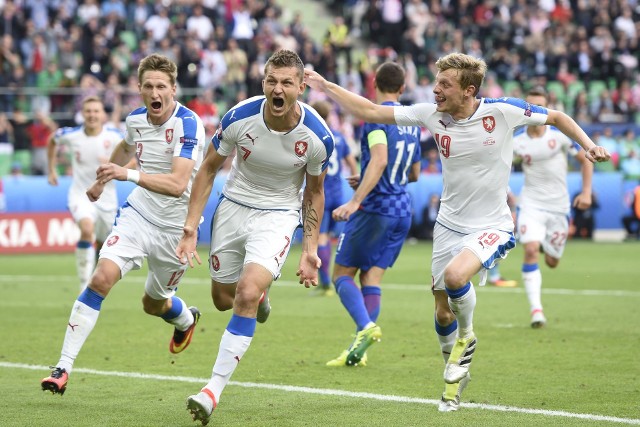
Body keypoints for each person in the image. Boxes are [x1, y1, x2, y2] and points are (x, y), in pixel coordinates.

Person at [304, 52, 610, 412]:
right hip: (449, 224)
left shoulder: (502, 111)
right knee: (441, 312)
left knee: (454, 278)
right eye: (436, 82)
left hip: (492, 224)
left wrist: (587, 145)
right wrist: (325, 86)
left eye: (444, 84)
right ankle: (455, 377)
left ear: (468, 90)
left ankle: (468, 336)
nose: (435, 89)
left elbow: (557, 116)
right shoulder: (431, 114)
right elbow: (371, 111)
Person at [174, 49, 334, 425]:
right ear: (263, 82)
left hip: (279, 214)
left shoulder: (317, 137)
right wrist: (191, 226)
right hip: (233, 205)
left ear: (301, 86)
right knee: (221, 298)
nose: (277, 89)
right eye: (271, 81)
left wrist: (309, 248)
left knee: (245, 293)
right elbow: (208, 169)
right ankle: (260, 296)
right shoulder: (239, 117)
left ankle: (211, 390)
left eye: (286, 83)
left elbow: (313, 192)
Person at [41, 53, 207, 396]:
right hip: (139, 215)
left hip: (177, 229)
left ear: (173, 89)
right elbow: (125, 146)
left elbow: (178, 184)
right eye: (148, 86)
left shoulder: (189, 124)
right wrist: (104, 177)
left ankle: (185, 319)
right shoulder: (135, 119)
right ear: (139, 89)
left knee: (153, 303)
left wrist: (125, 173)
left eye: (161, 86)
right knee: (101, 278)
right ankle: (63, 367)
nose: (155, 92)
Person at [323, 62, 422, 367]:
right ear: (402, 89)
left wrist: (356, 199)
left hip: (376, 208)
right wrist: (366, 175)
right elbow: (413, 172)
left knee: (340, 275)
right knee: (371, 277)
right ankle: (360, 350)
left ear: (374, 84)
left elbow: (379, 160)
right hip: (403, 208)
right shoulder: (411, 121)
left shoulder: (374, 119)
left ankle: (366, 327)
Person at [513, 85, 595, 328]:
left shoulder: (559, 137)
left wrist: (587, 192)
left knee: (552, 261)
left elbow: (586, 159)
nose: (533, 111)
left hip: (558, 207)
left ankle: (539, 242)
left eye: (539, 106)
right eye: (530, 106)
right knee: (529, 251)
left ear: (547, 108)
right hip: (530, 204)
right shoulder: (517, 143)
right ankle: (536, 311)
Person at [46, 96, 125, 292]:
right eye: (88, 111)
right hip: (80, 195)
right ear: (82, 114)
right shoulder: (71, 135)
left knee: (103, 242)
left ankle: (95, 278)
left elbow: (132, 161)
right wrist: (51, 169)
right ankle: (84, 286)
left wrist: (113, 164)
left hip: (107, 199)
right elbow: (52, 140)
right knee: (87, 229)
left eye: (96, 111)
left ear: (103, 115)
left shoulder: (114, 136)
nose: (92, 115)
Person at [310, 100, 358, 296]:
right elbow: (352, 163)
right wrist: (357, 184)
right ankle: (331, 279)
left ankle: (326, 283)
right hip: (339, 194)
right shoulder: (338, 136)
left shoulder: (314, 136)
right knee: (328, 237)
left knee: (320, 238)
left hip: (320, 194)